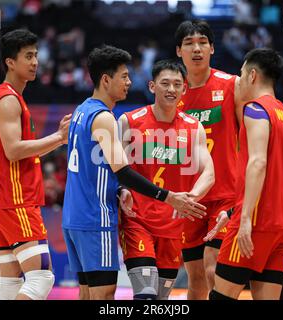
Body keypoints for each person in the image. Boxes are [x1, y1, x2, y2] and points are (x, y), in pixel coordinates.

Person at [62, 45, 207, 300]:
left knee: (91, 293)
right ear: (106, 80)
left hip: (80, 215)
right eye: (124, 77)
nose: (129, 82)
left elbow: (98, 168)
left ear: (184, 88)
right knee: (113, 294)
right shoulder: (113, 118)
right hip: (100, 216)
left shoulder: (82, 110)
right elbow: (123, 171)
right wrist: (168, 196)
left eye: (177, 84)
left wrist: (122, 190)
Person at [0, 29, 71, 300]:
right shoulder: (9, 99)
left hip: (1, 199)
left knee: (8, 284)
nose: (35, 62)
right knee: (41, 278)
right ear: (10, 62)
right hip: (15, 199)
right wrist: (59, 138)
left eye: (36, 55)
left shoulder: (8, 96)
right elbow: (13, 150)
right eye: (28, 56)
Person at [118, 59, 215, 300]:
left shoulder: (194, 128)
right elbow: (115, 168)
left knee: (161, 299)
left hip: (172, 226)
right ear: (152, 86)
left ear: (184, 89)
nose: (171, 89)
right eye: (165, 83)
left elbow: (209, 173)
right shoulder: (129, 121)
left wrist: (189, 199)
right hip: (137, 219)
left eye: (177, 84)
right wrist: (120, 190)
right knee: (146, 294)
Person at [208, 48, 283, 300]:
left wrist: (244, 218)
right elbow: (277, 177)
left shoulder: (256, 109)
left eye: (241, 74)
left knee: (220, 297)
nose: (238, 81)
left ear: (252, 75)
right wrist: (232, 212)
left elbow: (258, 164)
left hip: (257, 221)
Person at [175, 19, 243, 299]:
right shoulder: (172, 93)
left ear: (212, 48)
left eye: (202, 42)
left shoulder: (232, 86)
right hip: (189, 198)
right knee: (196, 278)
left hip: (225, 195)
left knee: (214, 269)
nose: (197, 48)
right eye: (189, 43)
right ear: (179, 51)